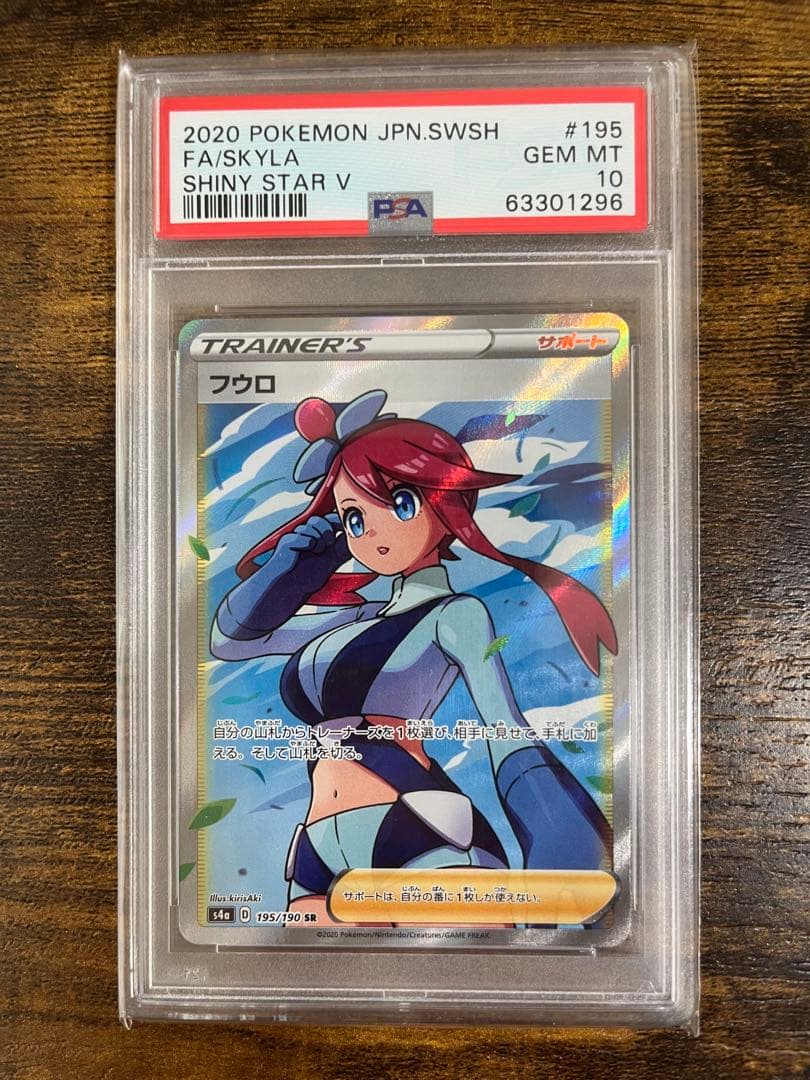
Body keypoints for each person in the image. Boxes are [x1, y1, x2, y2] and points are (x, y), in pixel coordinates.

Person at [211, 390, 617, 923]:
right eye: (354, 518)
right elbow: (230, 641)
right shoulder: (348, 621)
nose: (372, 531)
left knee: (471, 967)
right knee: (309, 972)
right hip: (317, 846)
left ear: (446, 506)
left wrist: (563, 850)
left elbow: (504, 728)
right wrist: (289, 573)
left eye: (400, 503)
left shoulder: (455, 614)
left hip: (416, 822)